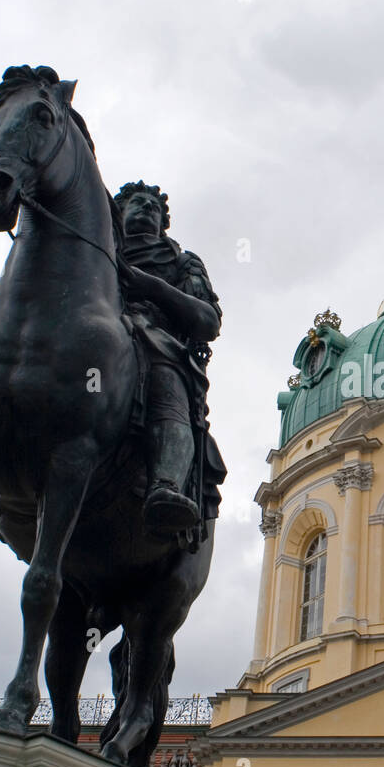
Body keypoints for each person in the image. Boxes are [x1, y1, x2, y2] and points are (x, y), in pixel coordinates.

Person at [113, 181, 222, 536]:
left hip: (151, 336)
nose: (145, 208)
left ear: (161, 222)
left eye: (153, 207)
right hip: (80, 326)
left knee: (164, 382)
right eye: (136, 203)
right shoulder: (89, 245)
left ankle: (165, 483)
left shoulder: (181, 261)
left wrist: (154, 287)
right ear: (119, 212)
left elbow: (207, 321)